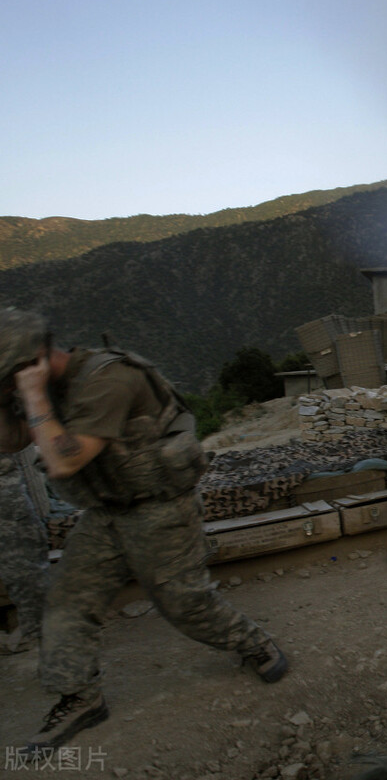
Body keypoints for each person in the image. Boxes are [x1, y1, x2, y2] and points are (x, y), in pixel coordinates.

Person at [0, 309, 289, 755]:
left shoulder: (108, 379)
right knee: (67, 599)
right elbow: (15, 440)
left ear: (31, 363)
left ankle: (254, 642)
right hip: (105, 512)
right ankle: (79, 696)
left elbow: (63, 461)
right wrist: (11, 403)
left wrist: (34, 398)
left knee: (184, 602)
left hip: (161, 509)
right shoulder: (45, 389)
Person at [0, 445, 49, 655]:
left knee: (25, 569)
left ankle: (44, 635)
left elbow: (21, 436)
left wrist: (41, 508)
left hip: (6, 495)